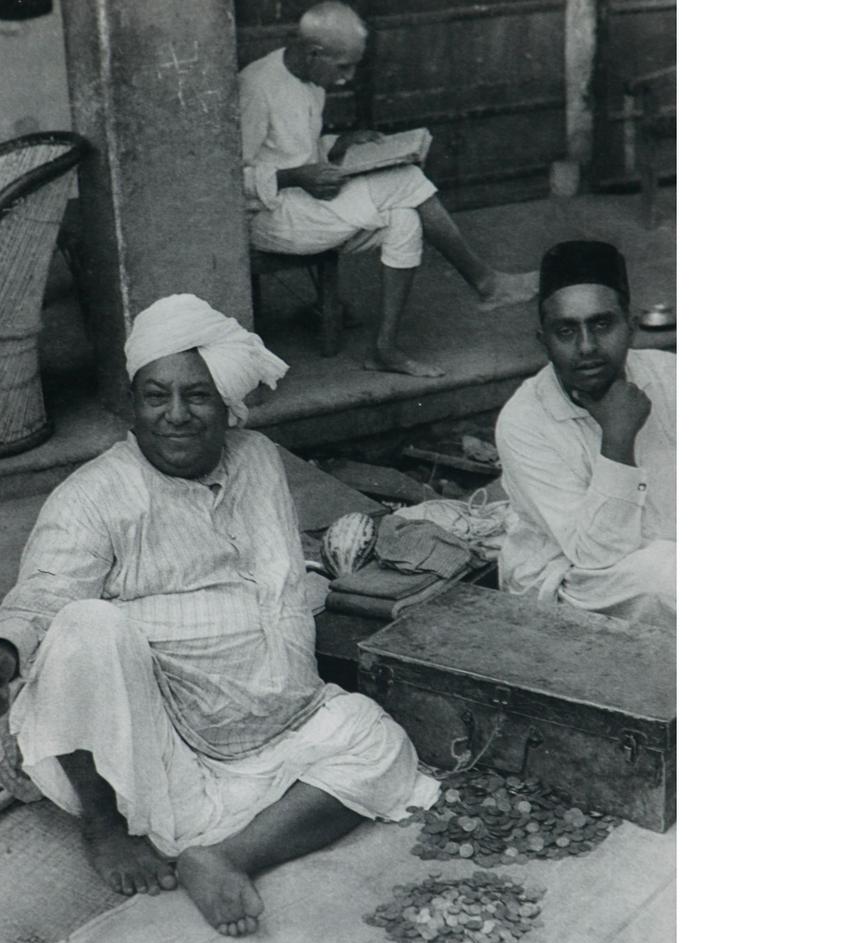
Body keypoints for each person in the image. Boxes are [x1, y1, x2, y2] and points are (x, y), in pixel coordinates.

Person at [0, 294, 439, 937]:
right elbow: (43, 594)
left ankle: (222, 857)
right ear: (134, 404)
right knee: (85, 626)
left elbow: (275, 580)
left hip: (275, 723)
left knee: (379, 744)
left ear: (227, 406)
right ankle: (106, 829)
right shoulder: (94, 495)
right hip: (155, 751)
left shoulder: (259, 460)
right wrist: (1, 657)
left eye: (198, 397)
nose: (177, 416)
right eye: (157, 397)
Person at [239, 0, 537, 378]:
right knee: (408, 181)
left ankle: (385, 349)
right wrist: (296, 177)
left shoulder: (312, 80)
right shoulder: (256, 85)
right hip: (267, 217)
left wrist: (342, 142)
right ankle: (486, 282)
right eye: (343, 66)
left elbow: (296, 148)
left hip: (305, 203)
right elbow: (229, 180)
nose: (347, 77)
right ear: (314, 52)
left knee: (405, 219)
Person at [494, 240, 675, 629]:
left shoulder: (670, 376)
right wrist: (617, 440)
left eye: (601, 324)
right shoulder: (523, 422)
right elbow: (597, 554)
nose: (587, 347)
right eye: (566, 331)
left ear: (630, 325)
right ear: (543, 341)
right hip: (577, 577)